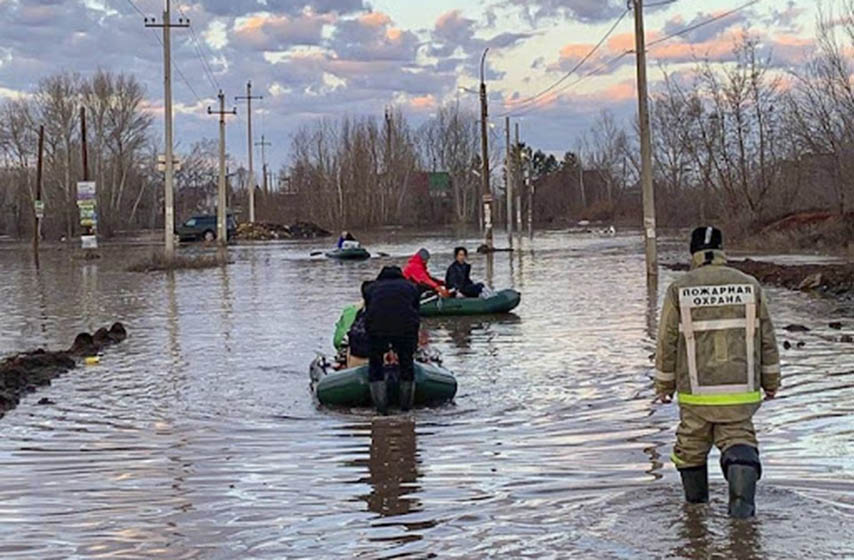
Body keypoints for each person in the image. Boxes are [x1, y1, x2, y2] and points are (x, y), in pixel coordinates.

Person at [655, 226, 781, 519]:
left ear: (693, 252)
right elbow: (767, 339)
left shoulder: (680, 288)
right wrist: (771, 382)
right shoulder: (749, 285)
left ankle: (696, 518)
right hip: (741, 393)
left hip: (696, 395)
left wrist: (663, 385)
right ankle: (742, 518)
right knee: (741, 444)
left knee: (690, 450)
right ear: (723, 250)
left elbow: (666, 341)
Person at [363, 266, 421, 414]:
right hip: (405, 328)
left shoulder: (371, 288)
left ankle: (381, 409)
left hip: (377, 328)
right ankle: (405, 409)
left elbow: (368, 308)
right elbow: (416, 311)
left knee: (375, 364)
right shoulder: (412, 287)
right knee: (407, 363)